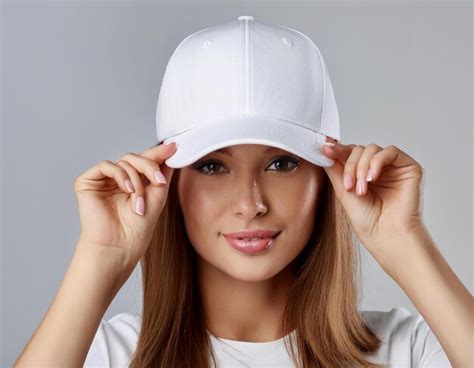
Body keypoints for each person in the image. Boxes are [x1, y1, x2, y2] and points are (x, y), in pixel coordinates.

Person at [15, 16, 472, 368]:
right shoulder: (108, 356)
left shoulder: (404, 350)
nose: (251, 203)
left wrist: (404, 241)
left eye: (282, 163)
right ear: (168, 183)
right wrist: (99, 256)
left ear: (327, 177)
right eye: (213, 166)